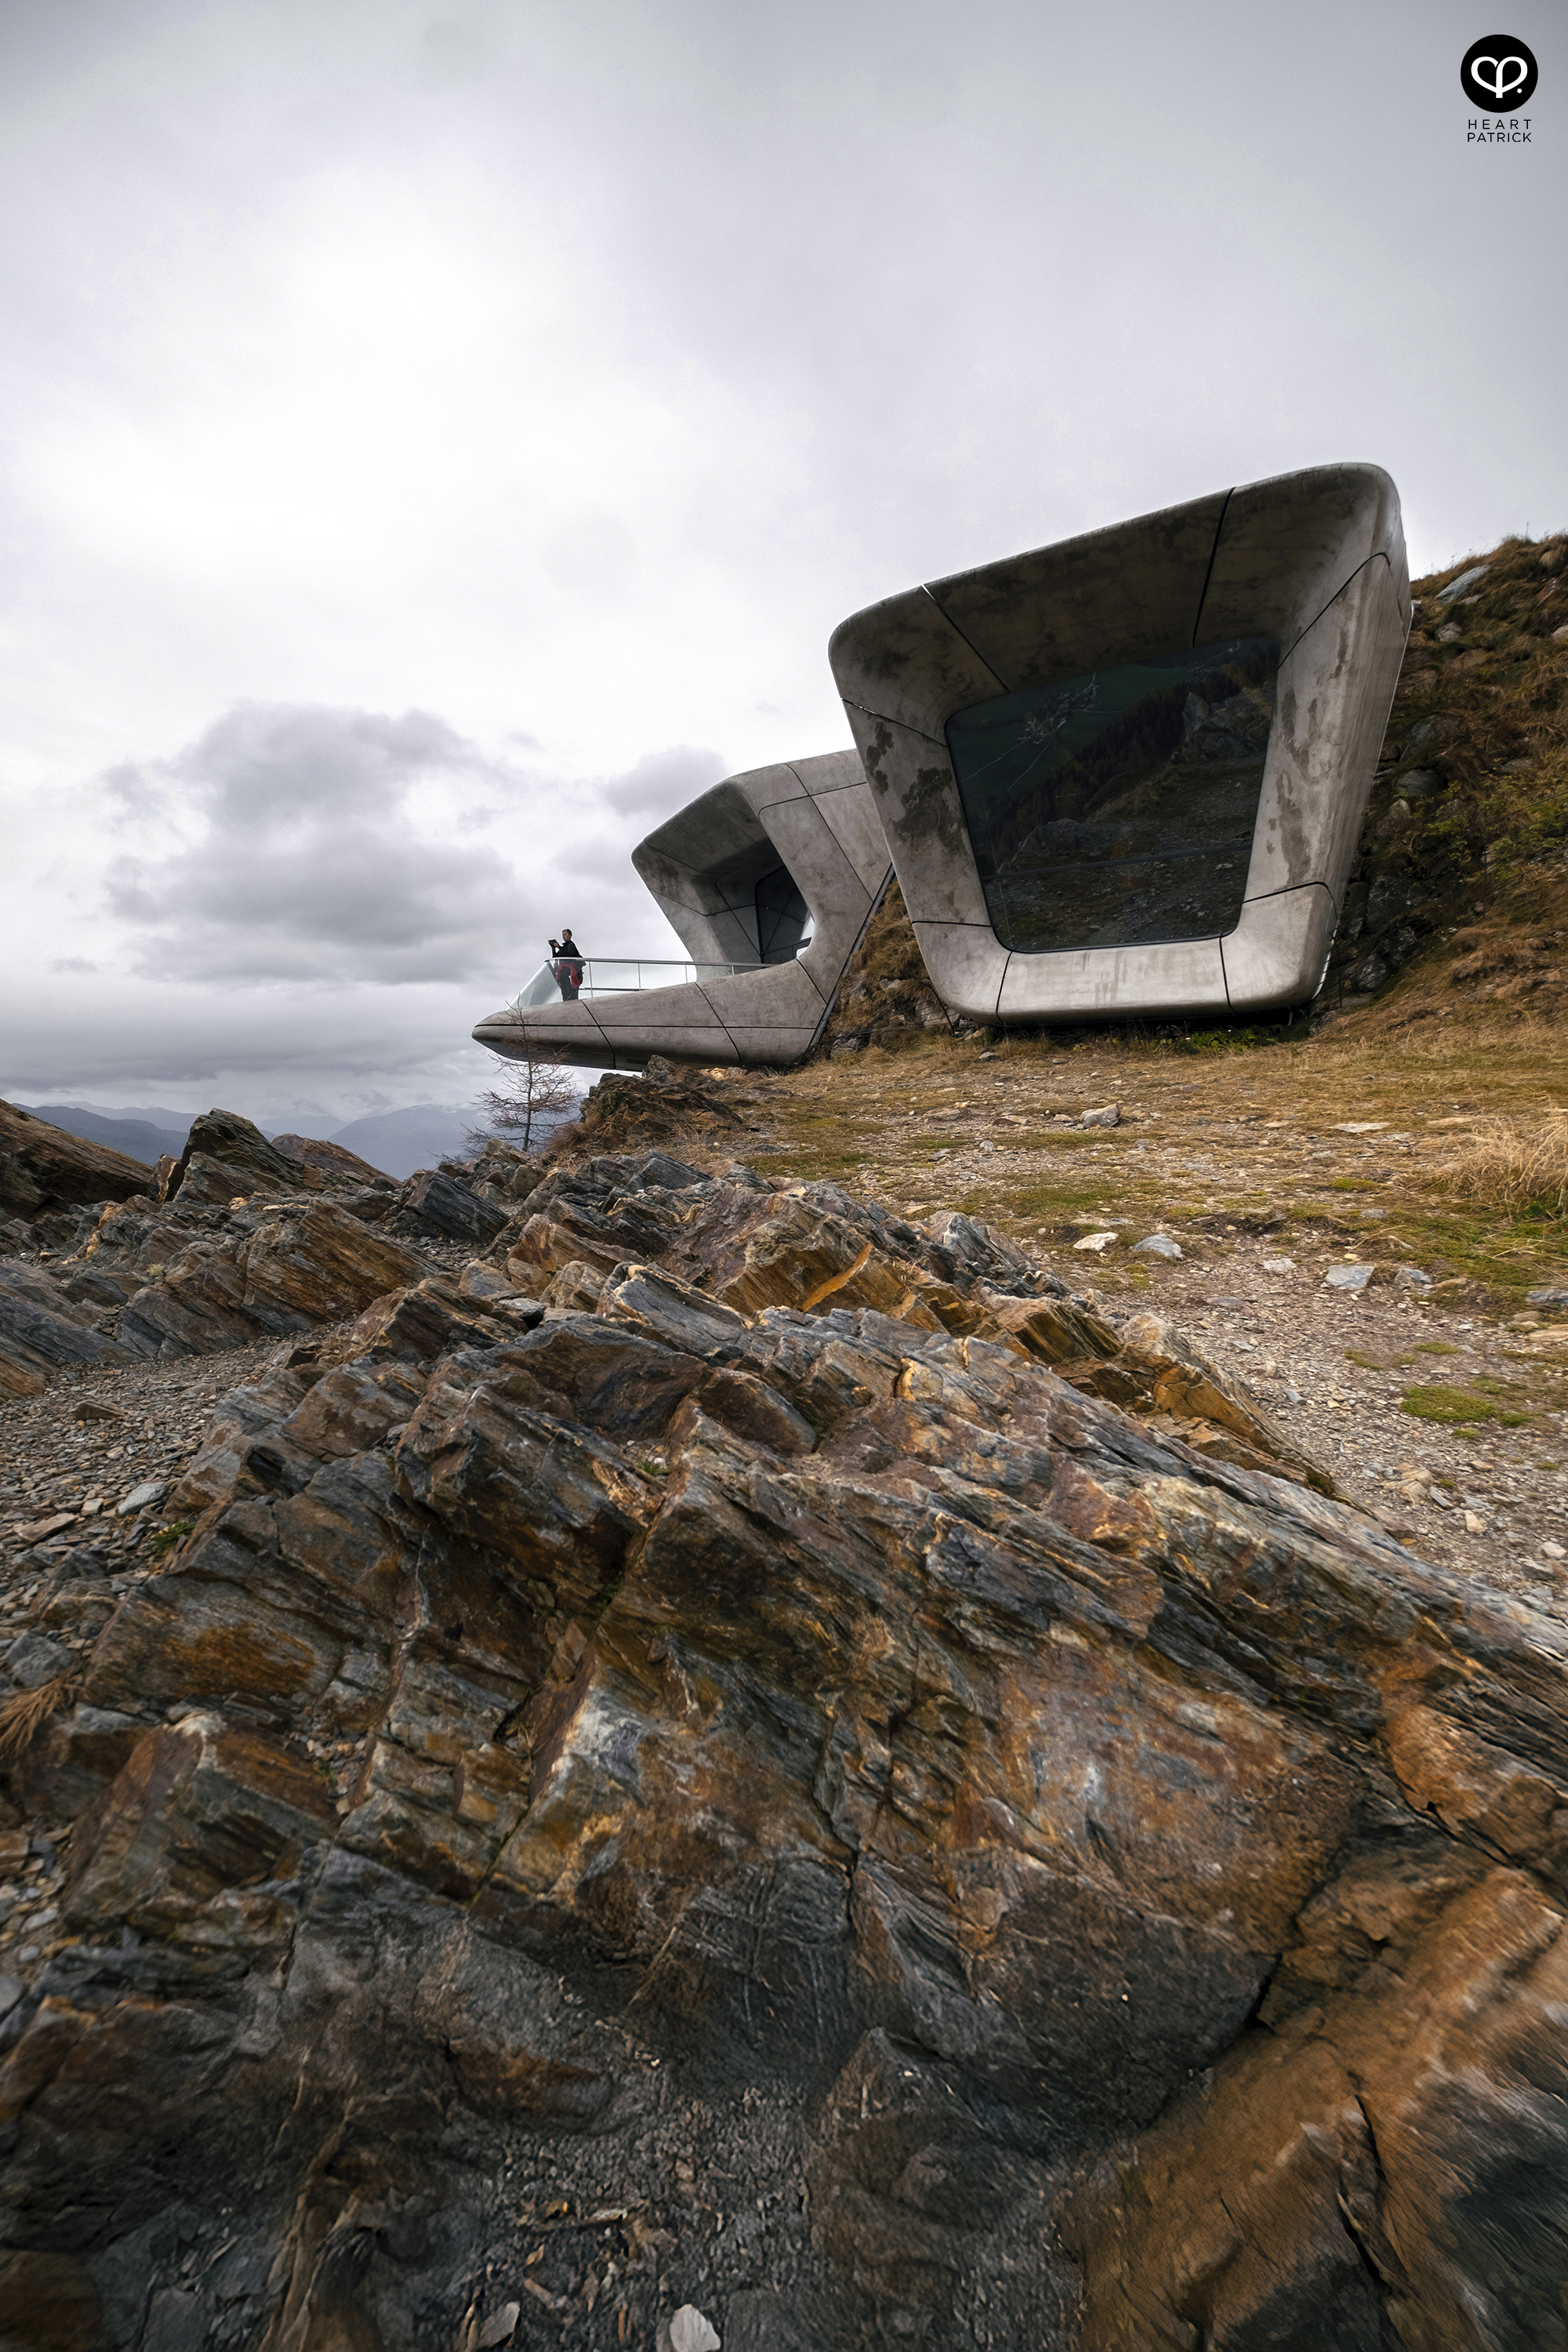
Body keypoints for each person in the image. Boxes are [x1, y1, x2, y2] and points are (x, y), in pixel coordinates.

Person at [549, 928, 585, 1000]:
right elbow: (556, 956)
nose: (563, 937)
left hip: (571, 973)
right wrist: (553, 948)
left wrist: (559, 947)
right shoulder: (564, 947)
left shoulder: (571, 945)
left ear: (570, 935)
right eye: (563, 935)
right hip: (564, 974)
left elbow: (569, 954)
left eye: (565, 935)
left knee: (571, 992)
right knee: (564, 993)